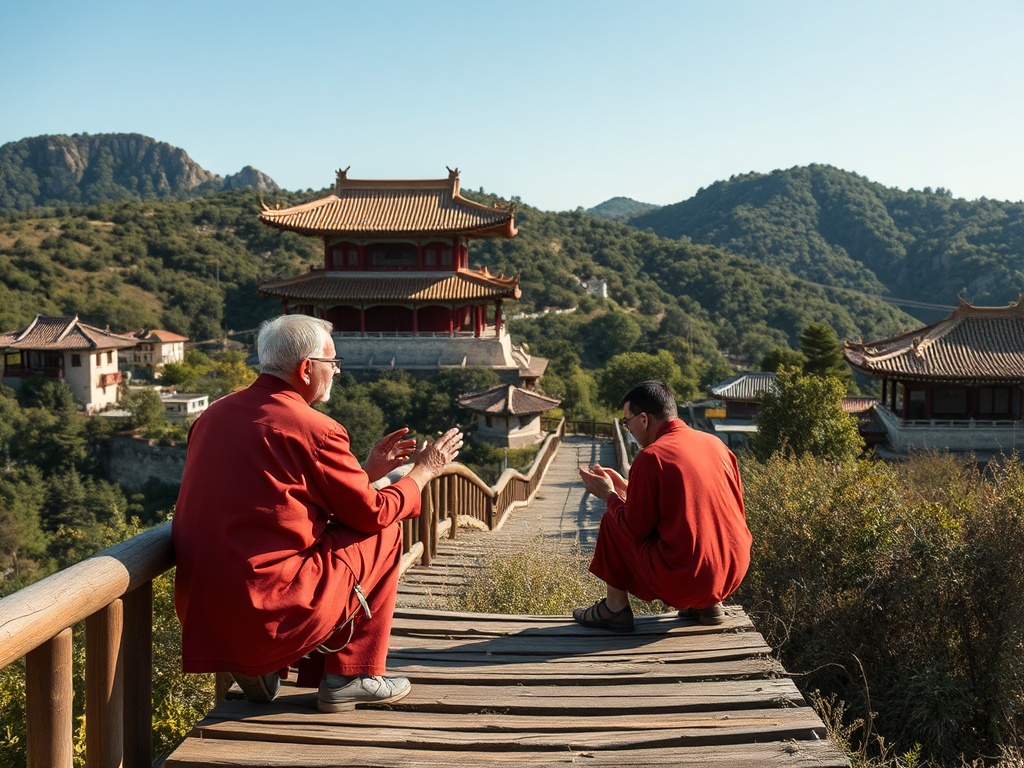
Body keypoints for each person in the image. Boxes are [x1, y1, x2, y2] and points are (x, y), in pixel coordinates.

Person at [173, 314, 463, 711]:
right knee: (386, 532)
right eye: (333, 364)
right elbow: (373, 514)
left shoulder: (213, 416)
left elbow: (281, 499)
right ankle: (352, 674)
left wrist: (366, 472)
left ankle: (264, 667)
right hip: (269, 606)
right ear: (307, 368)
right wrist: (424, 471)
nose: (336, 373)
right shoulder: (315, 428)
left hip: (209, 610)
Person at [573, 380, 751, 632]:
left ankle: (614, 608)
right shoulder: (716, 445)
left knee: (612, 519)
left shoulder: (651, 457)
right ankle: (708, 605)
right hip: (732, 572)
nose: (628, 429)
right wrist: (625, 487)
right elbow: (689, 502)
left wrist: (609, 495)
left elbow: (633, 529)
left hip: (687, 579)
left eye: (627, 421)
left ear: (644, 419)